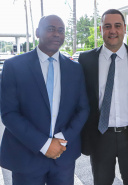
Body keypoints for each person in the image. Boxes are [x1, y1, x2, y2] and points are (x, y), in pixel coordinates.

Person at [0, 15, 89, 185]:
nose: (57, 34)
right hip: (26, 157)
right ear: (37, 33)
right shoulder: (14, 66)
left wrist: (62, 139)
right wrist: (44, 144)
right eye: (51, 28)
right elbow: (9, 113)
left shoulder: (75, 69)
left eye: (61, 30)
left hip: (63, 156)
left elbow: (83, 108)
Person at [79, 9, 128, 185]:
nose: (113, 31)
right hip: (101, 135)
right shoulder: (86, 59)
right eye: (107, 26)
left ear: (125, 28)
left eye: (117, 26)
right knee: (101, 181)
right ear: (101, 29)